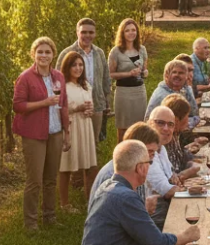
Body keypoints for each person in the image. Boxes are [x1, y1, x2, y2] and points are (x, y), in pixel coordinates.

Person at [12, 36, 67, 230]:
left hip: (55, 132)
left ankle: (50, 217)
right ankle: (31, 223)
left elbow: (64, 105)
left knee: (51, 179)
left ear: (53, 55)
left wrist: (66, 132)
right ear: (33, 54)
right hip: (34, 134)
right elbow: (18, 106)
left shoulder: (58, 77)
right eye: (40, 52)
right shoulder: (25, 77)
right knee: (35, 180)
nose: (44, 55)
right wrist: (44, 103)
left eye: (47, 52)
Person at [57, 18, 112, 153]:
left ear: (95, 33)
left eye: (91, 32)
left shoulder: (99, 53)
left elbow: (105, 77)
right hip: (74, 107)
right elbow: (58, 81)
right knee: (75, 144)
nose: (87, 35)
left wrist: (107, 99)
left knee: (94, 142)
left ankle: (91, 166)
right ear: (77, 32)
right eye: (84, 32)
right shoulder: (66, 53)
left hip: (96, 104)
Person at [60, 51, 99, 203]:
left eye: (81, 65)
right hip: (71, 126)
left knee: (89, 164)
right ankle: (64, 203)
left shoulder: (86, 86)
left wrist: (90, 110)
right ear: (67, 67)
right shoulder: (63, 86)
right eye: (74, 65)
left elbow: (90, 105)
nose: (78, 68)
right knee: (66, 165)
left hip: (85, 125)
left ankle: (90, 199)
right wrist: (77, 108)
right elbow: (60, 110)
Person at [107, 18, 149, 136]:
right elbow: (110, 74)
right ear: (122, 33)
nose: (131, 33)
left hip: (139, 92)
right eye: (127, 30)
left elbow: (145, 70)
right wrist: (129, 74)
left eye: (133, 30)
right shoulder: (116, 52)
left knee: (140, 127)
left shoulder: (142, 49)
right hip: (123, 92)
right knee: (123, 128)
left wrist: (145, 72)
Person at [144, 106, 185, 228]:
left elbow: (172, 178)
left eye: (170, 125)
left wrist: (175, 182)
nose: (166, 128)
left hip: (162, 208)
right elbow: (167, 191)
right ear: (149, 123)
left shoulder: (161, 149)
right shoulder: (146, 153)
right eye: (160, 123)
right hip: (151, 217)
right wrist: (187, 189)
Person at [161, 94, 206, 176]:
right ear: (177, 120)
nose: (188, 121)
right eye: (187, 116)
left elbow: (181, 159)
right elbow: (171, 178)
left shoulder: (175, 135)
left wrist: (190, 155)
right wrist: (188, 172)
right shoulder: (164, 141)